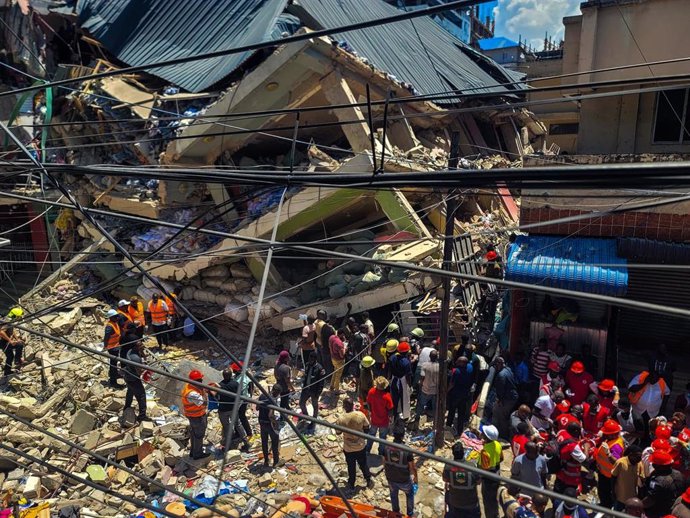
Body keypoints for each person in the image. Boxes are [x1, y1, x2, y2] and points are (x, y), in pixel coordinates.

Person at [336, 398, 373, 491]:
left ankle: (351, 484)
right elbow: (367, 427)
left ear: (344, 406)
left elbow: (338, 432)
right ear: (353, 405)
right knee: (363, 464)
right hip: (360, 446)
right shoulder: (360, 414)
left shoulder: (341, 418)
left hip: (348, 448)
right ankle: (368, 480)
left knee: (351, 466)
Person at [382, 426, 417, 517]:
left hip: (391, 478)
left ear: (393, 435)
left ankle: (396, 513)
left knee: (393, 495)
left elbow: (384, 463)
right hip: (404, 479)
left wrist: (387, 473)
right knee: (409, 494)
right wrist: (416, 478)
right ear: (403, 436)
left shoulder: (386, 447)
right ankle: (410, 514)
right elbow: (412, 467)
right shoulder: (407, 450)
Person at [215, 368, 251, 452]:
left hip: (223, 410)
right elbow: (240, 394)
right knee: (238, 425)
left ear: (223, 376)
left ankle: (228, 446)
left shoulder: (220, 385)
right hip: (233, 409)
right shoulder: (236, 384)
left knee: (226, 427)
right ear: (231, 375)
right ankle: (246, 443)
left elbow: (216, 397)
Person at [642, 450, 685, 518]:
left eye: (654, 463)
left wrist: (638, 505)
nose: (652, 464)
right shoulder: (679, 474)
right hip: (672, 508)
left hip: (658, 512)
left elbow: (649, 501)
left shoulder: (658, 481)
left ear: (658, 466)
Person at [443, 442, 481, 518]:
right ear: (463, 453)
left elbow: (445, 479)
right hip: (471, 503)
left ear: (453, 453)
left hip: (455, 502)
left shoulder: (448, 466)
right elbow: (478, 482)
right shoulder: (472, 467)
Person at [628, 371, 670, 437]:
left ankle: (646, 440)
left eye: (656, 379)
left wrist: (663, 406)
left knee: (649, 429)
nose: (653, 380)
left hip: (652, 412)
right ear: (649, 376)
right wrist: (644, 383)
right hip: (638, 409)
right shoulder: (640, 377)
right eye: (652, 378)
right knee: (637, 427)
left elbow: (667, 393)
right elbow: (631, 388)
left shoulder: (662, 383)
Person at [595, 419, 625, 508]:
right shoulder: (611, 439)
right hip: (604, 472)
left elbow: (616, 462)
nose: (604, 433)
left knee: (605, 493)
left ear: (611, 434)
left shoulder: (616, 446)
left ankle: (606, 508)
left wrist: (608, 454)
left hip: (608, 476)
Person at [181, 369, 210, 459]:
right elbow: (204, 403)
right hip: (197, 417)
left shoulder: (189, 386)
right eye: (200, 380)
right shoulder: (192, 393)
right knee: (199, 435)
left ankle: (193, 452)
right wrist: (204, 392)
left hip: (193, 416)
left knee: (194, 434)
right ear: (197, 381)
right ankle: (198, 454)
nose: (202, 381)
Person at [554, 422, 587, 495]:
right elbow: (585, 460)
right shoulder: (573, 446)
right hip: (570, 476)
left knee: (557, 492)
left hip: (559, 469)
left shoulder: (561, 432)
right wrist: (586, 446)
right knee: (568, 495)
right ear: (575, 431)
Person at [121, 340, 150, 422]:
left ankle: (127, 407)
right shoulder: (135, 359)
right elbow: (139, 372)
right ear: (135, 347)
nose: (143, 346)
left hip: (127, 376)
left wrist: (144, 356)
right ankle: (142, 416)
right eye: (140, 345)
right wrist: (146, 368)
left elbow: (141, 352)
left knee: (130, 391)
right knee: (141, 396)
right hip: (133, 378)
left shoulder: (130, 351)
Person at [492, 356, 519, 439]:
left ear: (498, 364)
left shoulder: (501, 375)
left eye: (495, 366)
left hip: (507, 399)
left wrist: (499, 400)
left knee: (500, 415)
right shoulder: (508, 369)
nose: (495, 368)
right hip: (513, 396)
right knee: (504, 415)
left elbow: (500, 390)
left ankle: (502, 435)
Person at [479, 424, 502, 518]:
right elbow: (502, 458)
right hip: (497, 473)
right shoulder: (497, 444)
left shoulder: (485, 452)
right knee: (493, 498)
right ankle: (495, 513)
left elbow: (484, 468)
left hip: (488, 478)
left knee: (488, 500)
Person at [366, 376, 393, 454]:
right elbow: (390, 409)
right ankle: (381, 452)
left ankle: (368, 449)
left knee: (371, 435)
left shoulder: (371, 392)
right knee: (382, 437)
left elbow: (368, 403)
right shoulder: (387, 396)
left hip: (374, 419)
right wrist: (390, 418)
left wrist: (371, 411)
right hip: (384, 421)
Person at [611, 444, 643, 511]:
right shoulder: (620, 462)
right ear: (631, 454)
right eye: (637, 457)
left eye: (640, 457)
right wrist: (613, 492)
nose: (639, 459)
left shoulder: (639, 464)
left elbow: (641, 479)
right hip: (620, 497)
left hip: (632, 498)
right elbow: (613, 477)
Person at [447, 356, 474, 434]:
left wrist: (446, 391)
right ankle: (459, 431)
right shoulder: (470, 367)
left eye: (458, 361)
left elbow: (452, 384)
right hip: (465, 394)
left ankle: (448, 426)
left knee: (452, 410)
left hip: (456, 394)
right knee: (461, 413)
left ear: (462, 363)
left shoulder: (457, 371)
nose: (457, 362)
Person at [413, 350, 439, 430]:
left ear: (429, 357)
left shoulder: (424, 365)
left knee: (420, 406)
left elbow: (422, 377)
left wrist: (419, 387)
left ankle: (416, 422)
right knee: (435, 408)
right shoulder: (439, 366)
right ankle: (435, 425)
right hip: (435, 391)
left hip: (425, 390)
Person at [299, 352, 325, 432]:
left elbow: (321, 383)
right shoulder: (307, 365)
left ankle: (313, 421)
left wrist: (318, 393)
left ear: (315, 359)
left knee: (315, 406)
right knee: (301, 403)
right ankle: (305, 415)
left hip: (314, 391)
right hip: (306, 388)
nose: (310, 360)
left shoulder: (320, 369)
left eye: (312, 359)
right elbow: (305, 376)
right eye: (309, 358)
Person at [257, 385, 281, 469]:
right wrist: (275, 423)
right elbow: (270, 415)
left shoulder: (262, 396)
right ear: (277, 392)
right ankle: (276, 462)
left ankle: (266, 461)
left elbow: (257, 408)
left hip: (261, 421)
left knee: (264, 442)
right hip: (268, 423)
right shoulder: (272, 400)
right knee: (275, 441)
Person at [389, 341, 413, 420]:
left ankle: (394, 415)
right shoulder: (406, 362)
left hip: (394, 380)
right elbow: (408, 376)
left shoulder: (392, 357)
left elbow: (389, 370)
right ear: (406, 352)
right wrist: (410, 386)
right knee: (404, 400)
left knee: (394, 399)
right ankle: (405, 416)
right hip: (402, 382)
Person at [103, 309, 125, 389]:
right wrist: (105, 346)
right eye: (116, 316)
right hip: (112, 348)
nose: (117, 318)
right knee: (113, 365)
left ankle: (116, 374)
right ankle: (113, 382)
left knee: (115, 363)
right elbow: (106, 338)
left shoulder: (114, 323)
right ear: (111, 317)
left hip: (116, 346)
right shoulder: (109, 326)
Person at [274, 350, 293, 417]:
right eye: (288, 357)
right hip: (285, 387)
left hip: (279, 385)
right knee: (283, 401)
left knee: (284, 399)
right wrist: (292, 389)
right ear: (285, 358)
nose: (289, 358)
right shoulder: (286, 368)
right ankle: (282, 417)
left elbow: (275, 375)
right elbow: (287, 381)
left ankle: (288, 408)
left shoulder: (277, 364)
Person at [328, 328, 347, 393]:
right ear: (342, 334)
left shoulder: (331, 337)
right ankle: (337, 390)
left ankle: (331, 386)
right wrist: (345, 348)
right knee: (338, 375)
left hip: (333, 358)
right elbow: (342, 355)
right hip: (339, 360)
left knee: (335, 371)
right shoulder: (340, 343)